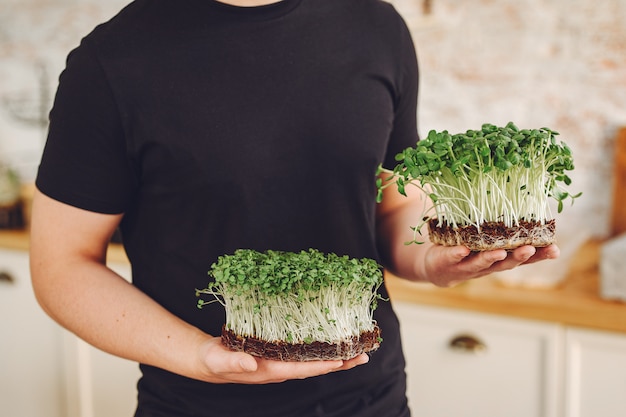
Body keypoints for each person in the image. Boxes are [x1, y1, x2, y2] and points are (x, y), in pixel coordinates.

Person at [29, 0, 559, 416]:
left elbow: (390, 203)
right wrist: (202, 356)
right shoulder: (113, 61)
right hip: (198, 405)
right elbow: (62, 267)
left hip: (369, 397)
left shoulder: (377, 28)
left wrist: (432, 260)